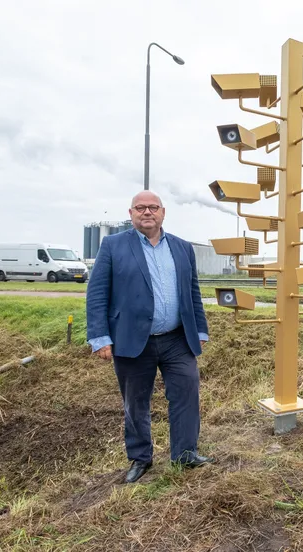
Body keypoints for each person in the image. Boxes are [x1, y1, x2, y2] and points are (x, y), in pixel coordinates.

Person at [86, 191, 214, 484]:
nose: (147, 212)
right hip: (131, 339)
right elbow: (96, 294)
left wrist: (200, 329)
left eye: (152, 207)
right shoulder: (113, 245)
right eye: (140, 208)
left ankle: (184, 453)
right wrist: (100, 337)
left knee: (186, 392)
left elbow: (192, 292)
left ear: (163, 212)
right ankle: (140, 458)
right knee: (135, 402)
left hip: (177, 339)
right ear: (130, 213)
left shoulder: (182, 248)